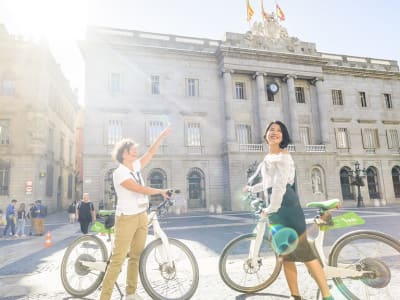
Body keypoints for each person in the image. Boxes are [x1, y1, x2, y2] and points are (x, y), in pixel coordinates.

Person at [245, 121, 333, 300]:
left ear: (283, 136)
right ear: (266, 135)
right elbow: (268, 183)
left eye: (279, 131)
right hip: (277, 207)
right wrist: (252, 189)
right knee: (286, 255)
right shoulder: (269, 157)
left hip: (285, 205)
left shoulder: (283, 156)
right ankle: (295, 296)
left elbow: (279, 185)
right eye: (271, 130)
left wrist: (271, 208)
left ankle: (327, 295)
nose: (274, 133)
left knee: (304, 253)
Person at [100, 126, 172, 300]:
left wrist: (161, 136)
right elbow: (138, 188)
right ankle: (104, 297)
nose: (136, 153)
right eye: (133, 151)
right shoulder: (119, 173)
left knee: (135, 256)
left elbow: (151, 152)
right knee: (117, 260)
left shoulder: (135, 168)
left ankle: (130, 293)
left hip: (141, 216)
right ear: (124, 153)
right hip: (126, 218)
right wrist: (160, 191)